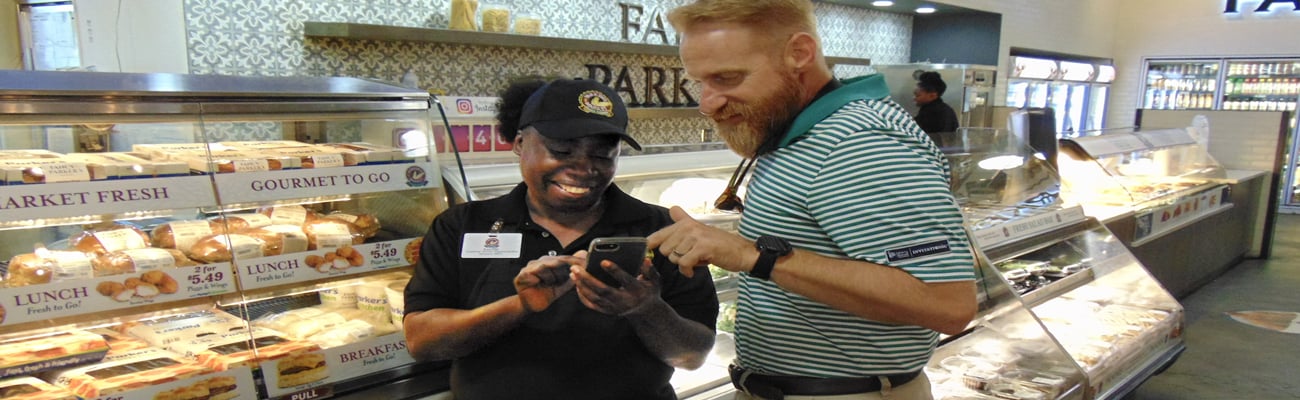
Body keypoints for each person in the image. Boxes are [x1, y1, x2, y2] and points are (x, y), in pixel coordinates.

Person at [654, 1, 978, 399]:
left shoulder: (858, 142)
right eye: (699, 82)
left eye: (727, 78)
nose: (707, 103)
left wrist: (754, 256)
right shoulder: (798, 133)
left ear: (799, 53)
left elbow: (948, 304)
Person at [402, 77, 719, 400]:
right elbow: (422, 342)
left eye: (602, 155)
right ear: (519, 143)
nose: (583, 168)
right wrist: (521, 305)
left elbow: (693, 356)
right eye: (562, 150)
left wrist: (645, 309)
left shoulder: (659, 229)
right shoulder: (463, 225)